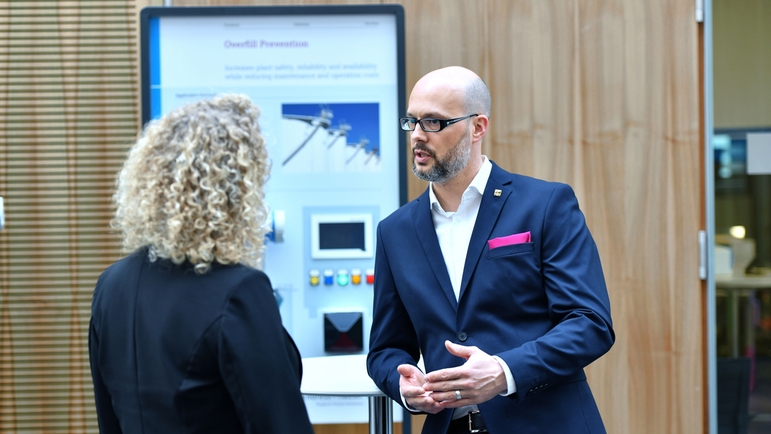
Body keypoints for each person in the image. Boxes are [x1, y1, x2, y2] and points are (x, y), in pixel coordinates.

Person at [366, 66, 615, 434]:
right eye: (412, 121)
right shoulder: (394, 232)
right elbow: (385, 350)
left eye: (433, 122)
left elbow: (590, 323)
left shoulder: (545, 205)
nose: (418, 136)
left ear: (477, 127)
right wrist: (403, 386)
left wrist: (504, 371)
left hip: (546, 423)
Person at [88, 94, 315, 434]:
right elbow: (281, 423)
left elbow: (109, 420)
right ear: (235, 193)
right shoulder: (239, 291)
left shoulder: (111, 284)